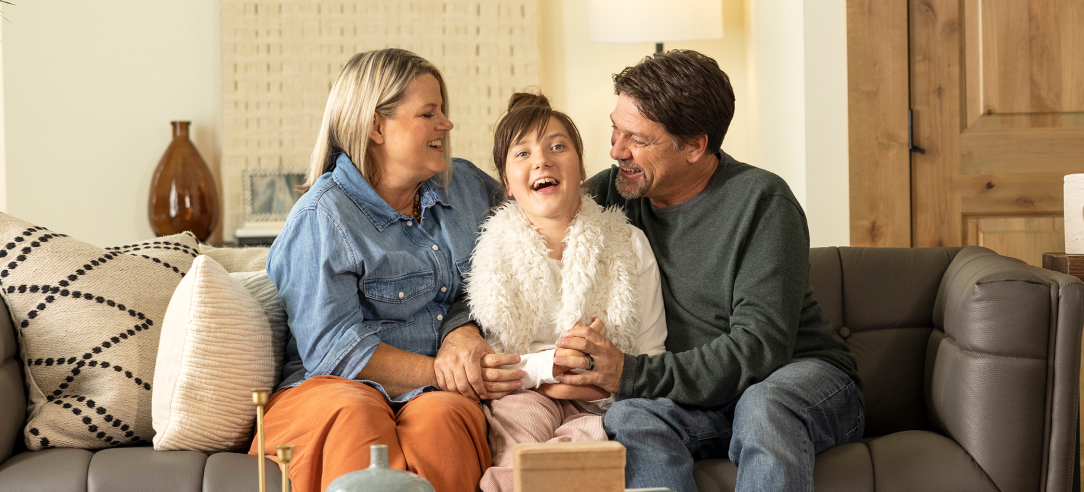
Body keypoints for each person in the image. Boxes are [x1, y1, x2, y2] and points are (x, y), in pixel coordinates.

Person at [436, 50, 864, 492]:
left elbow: (758, 350)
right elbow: (503, 252)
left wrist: (629, 373)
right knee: (630, 415)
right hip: (699, 403)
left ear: (695, 145)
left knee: (764, 406)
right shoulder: (613, 193)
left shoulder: (762, 202)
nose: (616, 150)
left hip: (795, 379)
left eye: (636, 138)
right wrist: (460, 330)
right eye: (615, 130)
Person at [251, 48, 515, 492]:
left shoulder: (467, 187)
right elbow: (334, 352)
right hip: (330, 390)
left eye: (443, 112)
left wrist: (462, 328)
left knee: (446, 417)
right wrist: (442, 371)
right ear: (376, 126)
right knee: (359, 413)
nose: (446, 125)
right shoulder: (323, 216)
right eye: (429, 113)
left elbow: (536, 226)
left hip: (430, 396)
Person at [463, 92, 667, 492]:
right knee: (515, 461)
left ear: (581, 168)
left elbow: (651, 355)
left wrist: (600, 376)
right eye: (522, 154)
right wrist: (547, 369)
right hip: (522, 394)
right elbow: (492, 362)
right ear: (506, 182)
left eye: (558, 146)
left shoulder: (628, 244)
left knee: (582, 462)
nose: (541, 160)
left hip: (602, 403)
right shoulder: (491, 251)